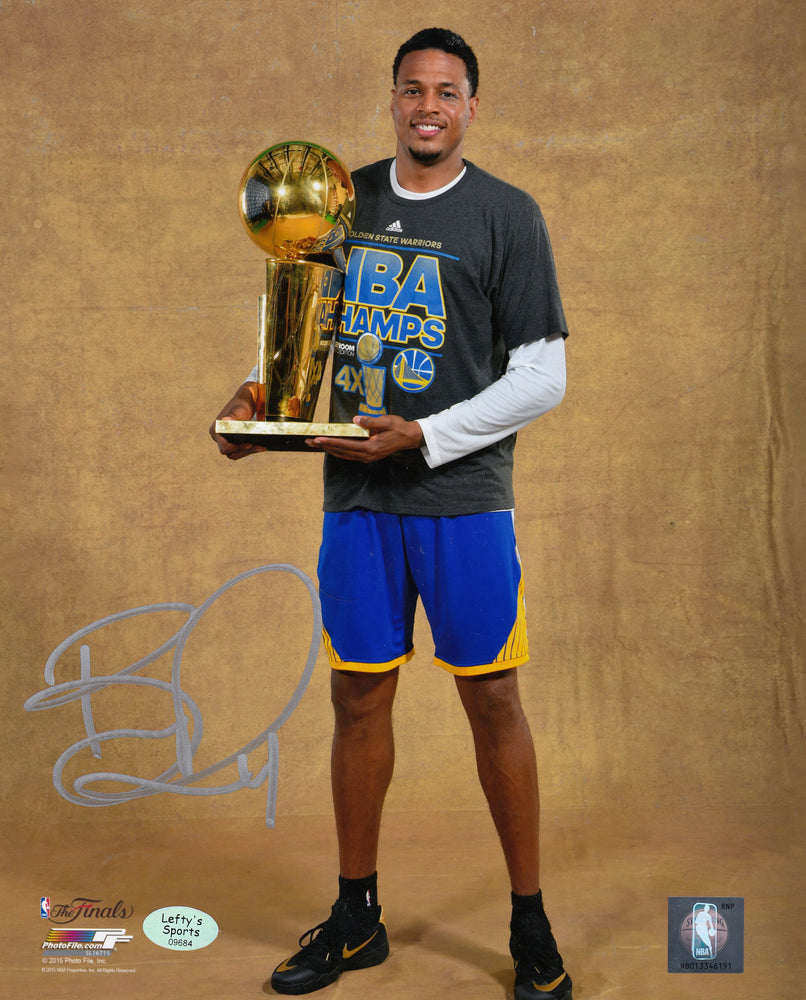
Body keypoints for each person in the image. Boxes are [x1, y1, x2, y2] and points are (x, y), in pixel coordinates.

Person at [210, 27, 573, 1000]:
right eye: (411, 89)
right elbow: (301, 323)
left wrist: (422, 434)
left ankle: (528, 922)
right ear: (391, 98)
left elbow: (542, 375)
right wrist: (259, 407)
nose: (426, 106)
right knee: (357, 698)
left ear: (470, 105)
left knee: (491, 698)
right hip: (358, 503)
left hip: (460, 503)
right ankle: (355, 913)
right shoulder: (341, 199)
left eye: (446, 92)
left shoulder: (506, 214)